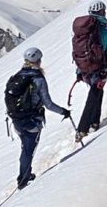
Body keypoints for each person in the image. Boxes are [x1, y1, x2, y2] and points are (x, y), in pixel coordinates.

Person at [4, 47, 70, 189]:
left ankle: (26, 174)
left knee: (25, 148)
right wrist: (63, 111)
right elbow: (48, 104)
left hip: (17, 121)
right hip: (32, 121)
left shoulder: (19, 76)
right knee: (28, 151)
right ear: (37, 60)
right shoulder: (38, 79)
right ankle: (23, 180)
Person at [71, 0, 107, 141]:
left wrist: (79, 71)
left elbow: (79, 52)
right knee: (94, 95)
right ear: (102, 12)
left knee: (97, 91)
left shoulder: (82, 32)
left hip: (85, 69)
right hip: (100, 68)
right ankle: (82, 129)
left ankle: (94, 122)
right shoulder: (106, 31)